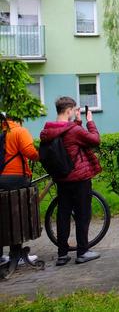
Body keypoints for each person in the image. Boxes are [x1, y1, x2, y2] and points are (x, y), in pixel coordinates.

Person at [40, 97, 101, 265]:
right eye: (74, 110)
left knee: (63, 215)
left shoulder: (49, 129)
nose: (75, 113)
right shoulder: (73, 130)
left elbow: (72, 143)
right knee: (83, 215)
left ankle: (62, 254)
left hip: (62, 178)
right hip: (79, 179)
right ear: (68, 111)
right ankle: (82, 252)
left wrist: (77, 123)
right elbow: (94, 140)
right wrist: (89, 122)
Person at [0, 113, 40, 265]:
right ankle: (16, 253)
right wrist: (41, 155)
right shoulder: (19, 131)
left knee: (4, 214)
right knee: (18, 211)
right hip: (15, 178)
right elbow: (30, 152)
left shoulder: (1, 131)